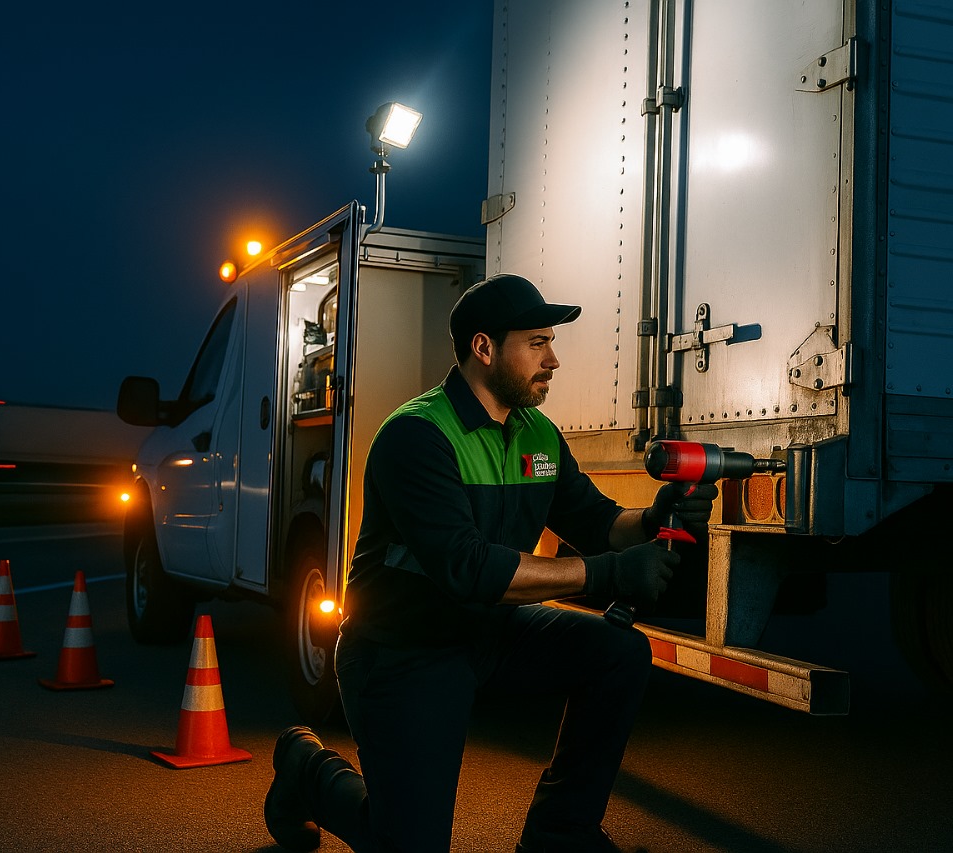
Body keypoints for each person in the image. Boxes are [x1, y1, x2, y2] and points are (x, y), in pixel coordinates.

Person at [263, 273, 717, 853]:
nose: (553, 359)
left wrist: (653, 521)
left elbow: (597, 523)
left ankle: (562, 832)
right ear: (484, 347)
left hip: (489, 632)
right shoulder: (416, 436)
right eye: (536, 342)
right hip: (402, 648)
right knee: (407, 844)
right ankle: (305, 770)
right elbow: (467, 568)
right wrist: (607, 574)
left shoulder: (537, 435)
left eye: (550, 342)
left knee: (619, 652)